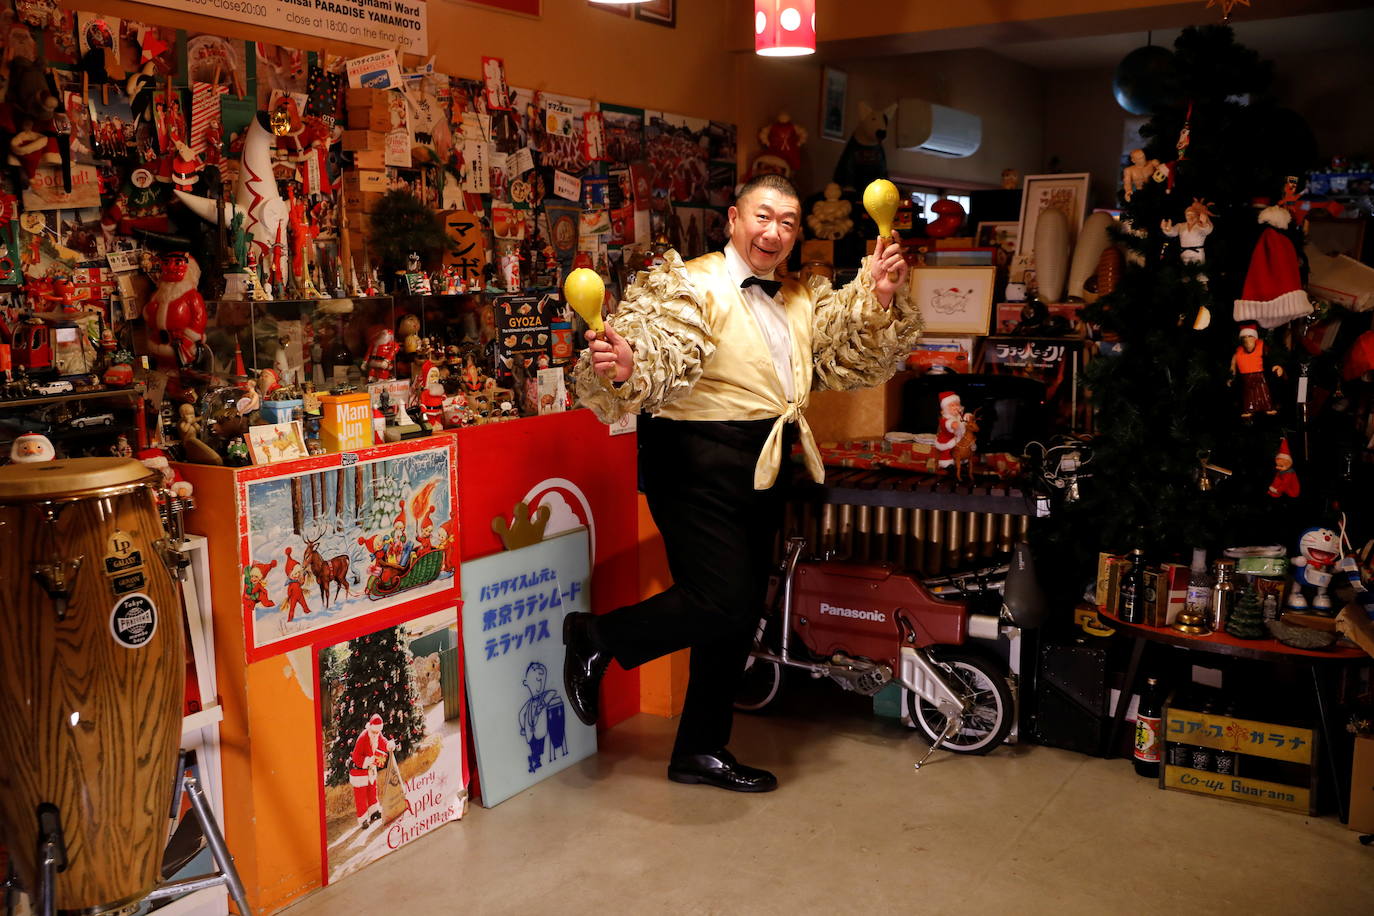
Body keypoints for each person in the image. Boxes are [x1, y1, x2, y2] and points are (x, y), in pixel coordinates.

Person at [563, 173, 919, 793]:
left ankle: (700, 749)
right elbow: (657, 342)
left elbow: (851, 352)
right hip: (694, 461)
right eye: (762, 216)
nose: (773, 232)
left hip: (769, 461)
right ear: (732, 219)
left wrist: (881, 294)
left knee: (737, 614)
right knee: (720, 598)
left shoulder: (799, 296)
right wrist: (627, 363)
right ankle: (597, 637)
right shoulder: (691, 282)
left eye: (787, 222)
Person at [349, 714, 391, 828]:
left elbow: (382, 741)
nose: (377, 734)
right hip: (359, 771)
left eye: (378, 732)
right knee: (361, 796)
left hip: (371, 769)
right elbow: (356, 758)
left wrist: (388, 745)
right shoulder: (363, 738)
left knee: (372, 790)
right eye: (375, 732)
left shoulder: (377, 734)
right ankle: (363, 819)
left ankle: (374, 811)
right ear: (370, 727)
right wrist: (369, 760)